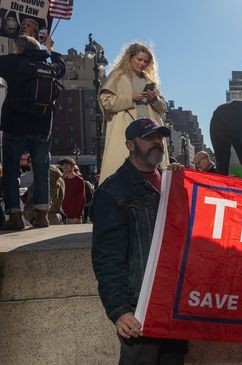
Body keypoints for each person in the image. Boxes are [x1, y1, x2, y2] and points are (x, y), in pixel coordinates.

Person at [92, 117, 187, 364]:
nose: (157, 143)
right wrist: (119, 310)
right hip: (139, 307)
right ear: (130, 145)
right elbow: (107, 258)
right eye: (148, 138)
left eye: (160, 138)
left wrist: (183, 185)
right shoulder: (113, 191)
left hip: (174, 301)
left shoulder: (172, 182)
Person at [0, 35, 65, 230]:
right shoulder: (48, 62)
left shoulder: (12, 61)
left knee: (11, 172)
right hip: (42, 128)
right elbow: (62, 69)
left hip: (15, 126)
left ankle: (15, 217)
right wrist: (50, 50)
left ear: (19, 48)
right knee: (42, 171)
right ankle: (43, 215)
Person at [99, 42, 168, 185]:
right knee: (123, 170)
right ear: (130, 57)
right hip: (126, 129)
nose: (142, 63)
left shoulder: (150, 81)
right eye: (139, 59)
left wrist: (154, 99)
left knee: (152, 171)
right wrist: (131, 98)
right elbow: (106, 101)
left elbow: (162, 108)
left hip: (150, 131)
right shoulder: (118, 75)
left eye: (145, 61)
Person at [58, 157, 86, 224]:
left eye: (67, 164)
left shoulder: (79, 180)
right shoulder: (63, 180)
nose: (64, 166)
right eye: (62, 165)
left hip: (75, 216)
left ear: (72, 166)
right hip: (64, 216)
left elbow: (82, 199)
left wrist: (77, 216)